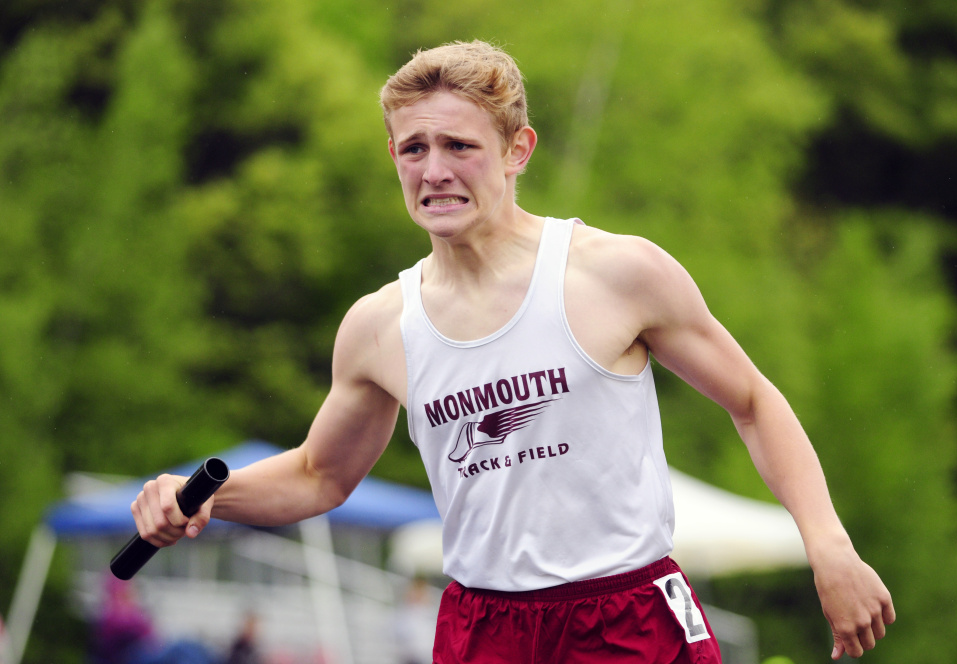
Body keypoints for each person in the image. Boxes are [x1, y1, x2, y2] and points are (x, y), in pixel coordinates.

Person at [131, 40, 895, 663]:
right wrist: (194, 497)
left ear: (516, 149)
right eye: (414, 148)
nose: (434, 172)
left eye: (460, 146)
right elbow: (319, 474)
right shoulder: (378, 325)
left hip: (624, 619)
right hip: (480, 630)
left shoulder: (614, 273)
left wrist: (829, 549)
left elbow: (753, 402)